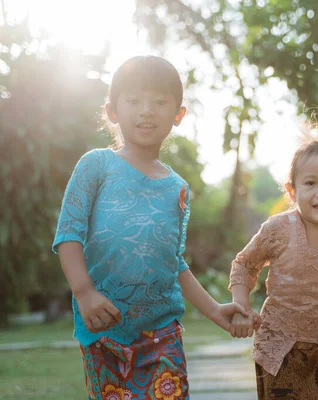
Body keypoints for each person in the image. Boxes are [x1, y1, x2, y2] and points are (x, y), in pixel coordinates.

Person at [52, 55, 250, 400]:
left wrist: (215, 310)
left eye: (159, 102)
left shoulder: (177, 188)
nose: (147, 110)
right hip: (104, 329)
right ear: (112, 111)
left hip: (162, 333)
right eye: (134, 101)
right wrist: (84, 292)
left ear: (178, 114)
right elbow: (68, 233)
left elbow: (175, 263)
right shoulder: (95, 166)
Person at [228, 113, 318, 399]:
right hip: (281, 348)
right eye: (311, 183)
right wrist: (241, 306)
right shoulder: (279, 229)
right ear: (292, 190)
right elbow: (244, 265)